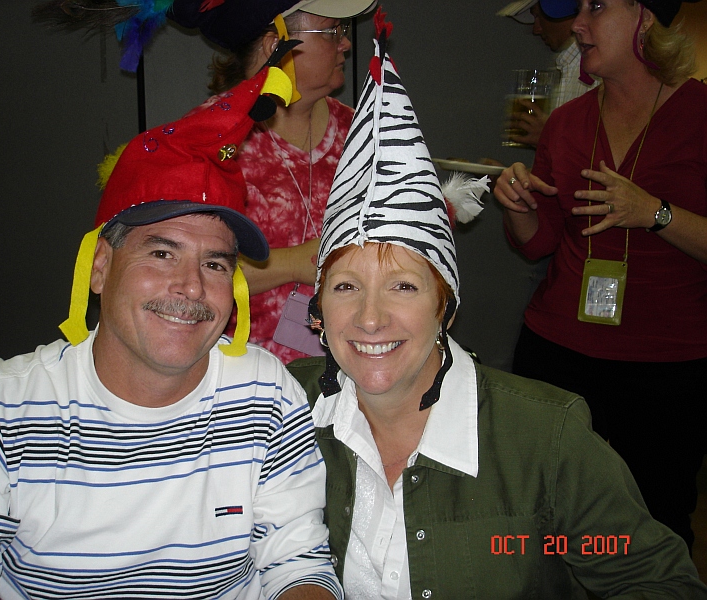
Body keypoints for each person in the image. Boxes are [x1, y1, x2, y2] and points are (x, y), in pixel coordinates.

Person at [286, 11, 707, 598]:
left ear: (446, 305)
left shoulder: (544, 442)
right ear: (317, 309)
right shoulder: (280, 410)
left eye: (404, 286)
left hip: (666, 355)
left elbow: (650, 577)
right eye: (345, 287)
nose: (371, 318)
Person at [0, 69, 341, 600]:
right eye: (161, 253)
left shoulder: (265, 393)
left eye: (214, 263)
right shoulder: (3, 410)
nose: (192, 287)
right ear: (100, 266)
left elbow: (297, 563)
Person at [34, 0, 376, 363]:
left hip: (351, 366)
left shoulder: (366, 135)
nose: (345, 43)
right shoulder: (207, 144)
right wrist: (293, 263)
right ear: (274, 44)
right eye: (331, 31)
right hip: (237, 373)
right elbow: (174, 266)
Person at [493, 0, 707, 553]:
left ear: (645, 16)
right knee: (550, 521)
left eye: (596, 6)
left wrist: (654, 212)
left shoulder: (699, 115)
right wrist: (517, 206)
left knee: (656, 525)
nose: (578, 25)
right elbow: (539, 241)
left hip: (665, 367)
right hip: (558, 349)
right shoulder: (568, 122)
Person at [498, 0, 599, 147]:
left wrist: (549, 137)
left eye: (538, 16)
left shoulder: (598, 72)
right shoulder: (566, 67)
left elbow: (602, 152)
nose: (536, 29)